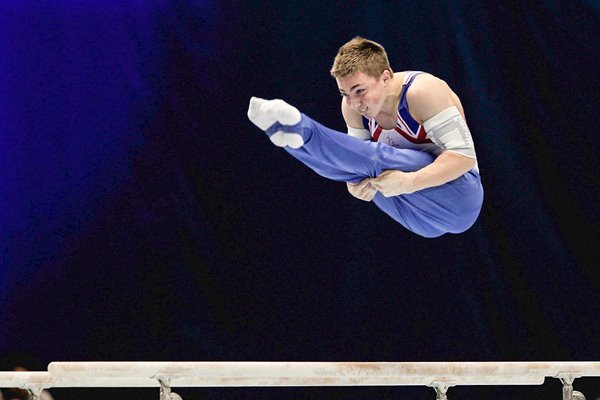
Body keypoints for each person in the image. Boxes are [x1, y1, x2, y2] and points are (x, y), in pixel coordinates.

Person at [247, 36, 483, 238]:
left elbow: (464, 157)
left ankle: (302, 128)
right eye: (345, 93)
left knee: (377, 159)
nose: (354, 103)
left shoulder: (422, 92)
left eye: (360, 90)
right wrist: (354, 188)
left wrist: (410, 182)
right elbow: (352, 160)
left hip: (459, 198)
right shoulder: (350, 106)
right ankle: (290, 140)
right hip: (417, 219)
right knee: (360, 169)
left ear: (386, 77)